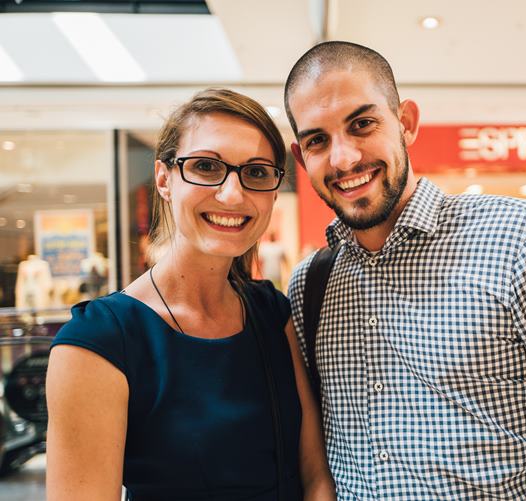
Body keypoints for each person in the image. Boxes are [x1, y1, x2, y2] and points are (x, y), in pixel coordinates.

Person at [284, 41, 526, 499]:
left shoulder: (523, 240)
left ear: (406, 122)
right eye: (318, 140)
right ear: (301, 157)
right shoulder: (310, 284)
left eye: (362, 124)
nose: (344, 158)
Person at [46, 89, 335, 501]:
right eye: (205, 166)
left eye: (256, 172)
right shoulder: (100, 341)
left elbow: (316, 477)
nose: (232, 194)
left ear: (273, 191)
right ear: (164, 179)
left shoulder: (271, 312)